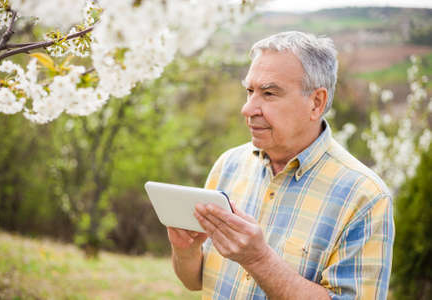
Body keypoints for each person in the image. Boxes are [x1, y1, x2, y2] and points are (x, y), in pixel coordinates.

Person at [167, 31, 394, 299]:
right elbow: (196, 281)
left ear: (316, 102)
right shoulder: (228, 165)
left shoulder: (365, 196)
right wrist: (185, 251)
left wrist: (259, 260)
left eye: (269, 93)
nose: (248, 108)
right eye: (250, 91)